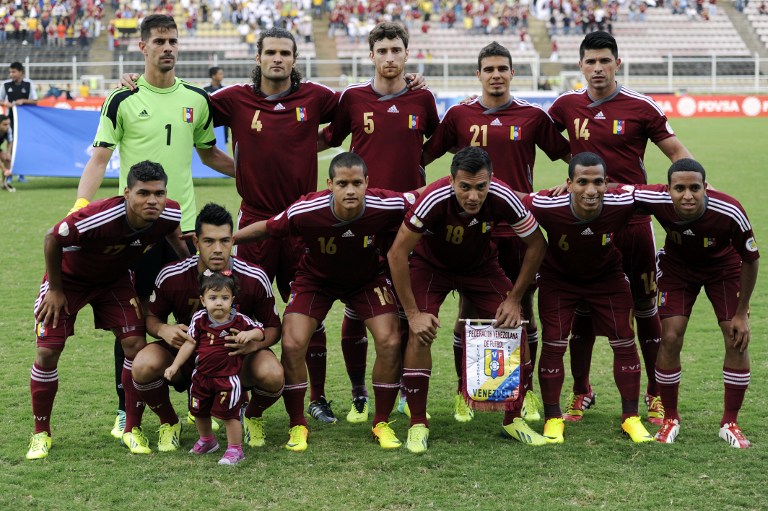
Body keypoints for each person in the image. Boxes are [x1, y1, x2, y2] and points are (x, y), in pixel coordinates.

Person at [120, 26, 426, 425]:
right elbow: (185, 102)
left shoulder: (317, 97)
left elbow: (364, 103)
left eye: (285, 52)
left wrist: (408, 82)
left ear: (295, 60)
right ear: (258, 58)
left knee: (308, 314)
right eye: (271, 52)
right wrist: (139, 83)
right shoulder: (232, 100)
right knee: (240, 307)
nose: (278, 59)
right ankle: (235, 393)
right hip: (255, 220)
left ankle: (317, 399)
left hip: (308, 224)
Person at [75, 14, 234, 441]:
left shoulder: (197, 100)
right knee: (132, 318)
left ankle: (201, 401)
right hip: (138, 233)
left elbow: (210, 154)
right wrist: (80, 207)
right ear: (142, 47)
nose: (168, 47)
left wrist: (253, 177)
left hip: (186, 232)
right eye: (159, 41)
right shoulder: (122, 99)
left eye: (173, 41)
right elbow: (99, 157)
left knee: (197, 314)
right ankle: (123, 408)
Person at [547, 31, 693, 424]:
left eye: (604, 61)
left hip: (633, 224)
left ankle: (654, 393)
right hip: (586, 227)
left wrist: (693, 192)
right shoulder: (565, 105)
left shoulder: (640, 106)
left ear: (617, 63)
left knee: (646, 310)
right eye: (590, 62)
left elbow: (679, 155)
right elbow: (534, 133)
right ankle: (581, 392)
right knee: (580, 311)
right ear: (580, 65)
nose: (597, 68)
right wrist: (571, 174)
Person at [422, 41, 570, 423]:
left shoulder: (533, 117)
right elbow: (422, 156)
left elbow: (572, 157)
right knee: (469, 311)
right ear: (478, 74)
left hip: (518, 230)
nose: (496, 75)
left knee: (525, 311)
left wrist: (573, 184)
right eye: (488, 69)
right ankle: (465, 390)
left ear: (512, 73)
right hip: (472, 230)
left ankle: (527, 391)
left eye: (502, 68)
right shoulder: (457, 115)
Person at [234, 152, 417, 452]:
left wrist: (452, 182)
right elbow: (268, 227)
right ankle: (297, 425)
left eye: (357, 183)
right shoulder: (307, 208)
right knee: (293, 344)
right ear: (329, 183)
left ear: (367, 183)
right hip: (315, 280)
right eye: (342, 183)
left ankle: (381, 422)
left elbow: (422, 196)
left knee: (389, 341)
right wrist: (229, 240)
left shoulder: (387, 203)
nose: (350, 190)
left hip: (366, 280)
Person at [387, 147, 548, 453]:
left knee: (516, 329)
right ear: (452, 182)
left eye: (480, 187)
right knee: (420, 335)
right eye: (465, 187)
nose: (473, 196)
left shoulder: (503, 195)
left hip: (480, 267)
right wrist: (412, 314)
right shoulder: (434, 198)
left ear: (491, 181)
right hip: (430, 267)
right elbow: (396, 253)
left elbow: (537, 244)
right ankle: (418, 422)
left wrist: (514, 298)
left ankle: (513, 421)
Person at [318, 21, 440, 424]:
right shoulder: (351, 98)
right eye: (382, 50)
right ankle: (357, 393)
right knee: (358, 306)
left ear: (407, 54)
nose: (389, 57)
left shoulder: (423, 99)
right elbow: (328, 138)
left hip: (410, 217)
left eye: (396, 50)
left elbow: (438, 143)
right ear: (371, 56)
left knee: (407, 306)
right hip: (363, 216)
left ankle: (405, 388)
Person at [26, 161, 188, 460]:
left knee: (135, 346)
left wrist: (193, 270)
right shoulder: (96, 217)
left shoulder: (170, 212)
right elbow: (52, 237)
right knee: (48, 351)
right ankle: (41, 432)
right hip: (69, 282)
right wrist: (56, 289)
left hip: (114, 281)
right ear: (127, 193)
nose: (152, 200)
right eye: (143, 193)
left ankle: (132, 428)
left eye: (159, 193)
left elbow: (175, 237)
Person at [518, 152, 653, 444]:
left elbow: (665, 196)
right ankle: (553, 419)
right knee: (553, 344)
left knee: (624, 341)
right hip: (559, 281)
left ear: (608, 183)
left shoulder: (622, 201)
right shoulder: (547, 204)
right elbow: (509, 199)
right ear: (568, 183)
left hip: (607, 279)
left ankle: (631, 418)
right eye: (582, 182)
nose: (590, 191)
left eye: (597, 182)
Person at [133, 203, 282, 453]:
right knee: (143, 364)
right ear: (196, 241)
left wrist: (254, 343)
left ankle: (252, 415)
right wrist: (163, 330)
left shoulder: (254, 276)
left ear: (233, 240)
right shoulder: (172, 275)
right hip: (188, 358)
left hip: (234, 361)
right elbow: (151, 318)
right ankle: (169, 421)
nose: (217, 249)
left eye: (224, 241)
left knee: (272, 373)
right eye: (209, 241)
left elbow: (273, 328)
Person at [633, 159, 758, 448]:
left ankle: (730, 422)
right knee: (670, 336)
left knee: (735, 336)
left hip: (724, 269)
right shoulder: (655, 197)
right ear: (668, 189)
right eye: (680, 188)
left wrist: (742, 312)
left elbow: (751, 260)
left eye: (694, 188)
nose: (687, 195)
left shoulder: (729, 210)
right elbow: (618, 192)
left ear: (705, 188)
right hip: (678, 269)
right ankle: (670, 419)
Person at [165, 270, 266, 465]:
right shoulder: (199, 319)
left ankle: (235, 450)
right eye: (213, 297)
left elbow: (260, 330)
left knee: (229, 415)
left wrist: (249, 335)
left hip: (227, 379)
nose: (218, 302)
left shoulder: (239, 320)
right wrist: (174, 366)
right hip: (201, 377)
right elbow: (189, 343)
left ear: (232, 300)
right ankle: (207, 441)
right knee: (199, 412)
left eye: (224, 297)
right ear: (203, 300)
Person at [1, 61, 38, 184]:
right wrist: (8, 104)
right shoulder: (6, 85)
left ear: (21, 72)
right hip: (10, 119)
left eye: (14, 72)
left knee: (22, 146)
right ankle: (9, 173)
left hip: (25, 121)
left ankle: (21, 173)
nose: (11, 74)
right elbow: (0, 100)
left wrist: (23, 101)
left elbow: (35, 101)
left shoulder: (28, 84)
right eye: (10, 72)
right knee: (10, 146)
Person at [203, 66, 228, 142]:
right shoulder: (205, 90)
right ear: (213, 76)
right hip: (209, 121)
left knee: (222, 144)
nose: (222, 76)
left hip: (222, 121)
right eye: (220, 74)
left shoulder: (225, 90)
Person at [0, 114, 14, 192]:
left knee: (7, 159)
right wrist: (4, 169)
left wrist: (8, 153)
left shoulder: (8, 129)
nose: (7, 126)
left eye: (8, 124)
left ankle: (4, 184)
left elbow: (10, 141)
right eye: (5, 124)